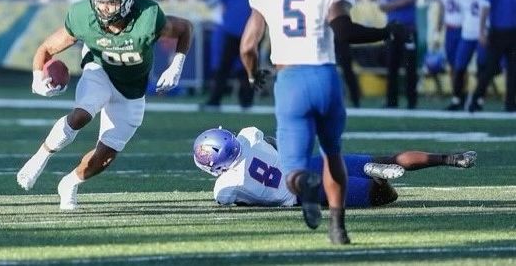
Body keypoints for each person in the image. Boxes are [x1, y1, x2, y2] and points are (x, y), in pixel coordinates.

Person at [240, 0, 406, 244]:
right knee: (333, 155)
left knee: (293, 172)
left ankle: (307, 186)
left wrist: (252, 74)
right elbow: (344, 31)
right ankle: (338, 227)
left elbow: (248, 45)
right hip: (325, 77)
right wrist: (384, 32)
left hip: (290, 81)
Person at [16, 0, 192, 210]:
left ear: (127, 1)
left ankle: (69, 184)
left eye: (111, 3)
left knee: (106, 155)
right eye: (99, 2)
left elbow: (184, 28)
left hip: (132, 88)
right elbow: (47, 48)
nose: (104, 8)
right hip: (99, 70)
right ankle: (41, 156)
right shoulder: (83, 15)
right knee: (82, 114)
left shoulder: (147, 16)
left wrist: (176, 66)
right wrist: (38, 76)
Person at [193, 127, 476, 208]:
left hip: (305, 192)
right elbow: (267, 140)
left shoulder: (225, 188)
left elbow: (236, 199)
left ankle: (378, 180)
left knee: (386, 197)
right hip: (308, 164)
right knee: (387, 158)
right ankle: (448, 158)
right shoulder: (248, 135)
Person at [203, 0, 259, 110]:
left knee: (247, 69)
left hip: (249, 33)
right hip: (230, 32)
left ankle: (246, 102)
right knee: (223, 68)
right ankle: (214, 101)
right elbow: (220, 3)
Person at [468, 0, 516, 112]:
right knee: (489, 69)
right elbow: (484, 11)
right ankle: (475, 100)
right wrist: (482, 32)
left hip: (513, 34)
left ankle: (510, 103)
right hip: (497, 33)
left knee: (513, 70)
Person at [447, 0, 488, 110]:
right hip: (466, 33)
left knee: (482, 67)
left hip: (482, 35)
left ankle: (479, 99)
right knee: (459, 67)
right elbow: (453, 6)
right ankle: (457, 99)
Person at [378, 0, 419, 109]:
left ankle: (411, 101)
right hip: (393, 30)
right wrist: (396, 3)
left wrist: (391, 4)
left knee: (410, 66)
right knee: (392, 66)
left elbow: (406, 0)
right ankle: (391, 101)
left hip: (407, 29)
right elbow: (382, 6)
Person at [432, 0, 467, 79]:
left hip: (464, 29)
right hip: (450, 29)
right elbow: (441, 11)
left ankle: (462, 92)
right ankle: (455, 93)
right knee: (452, 62)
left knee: (462, 63)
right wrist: (437, 32)